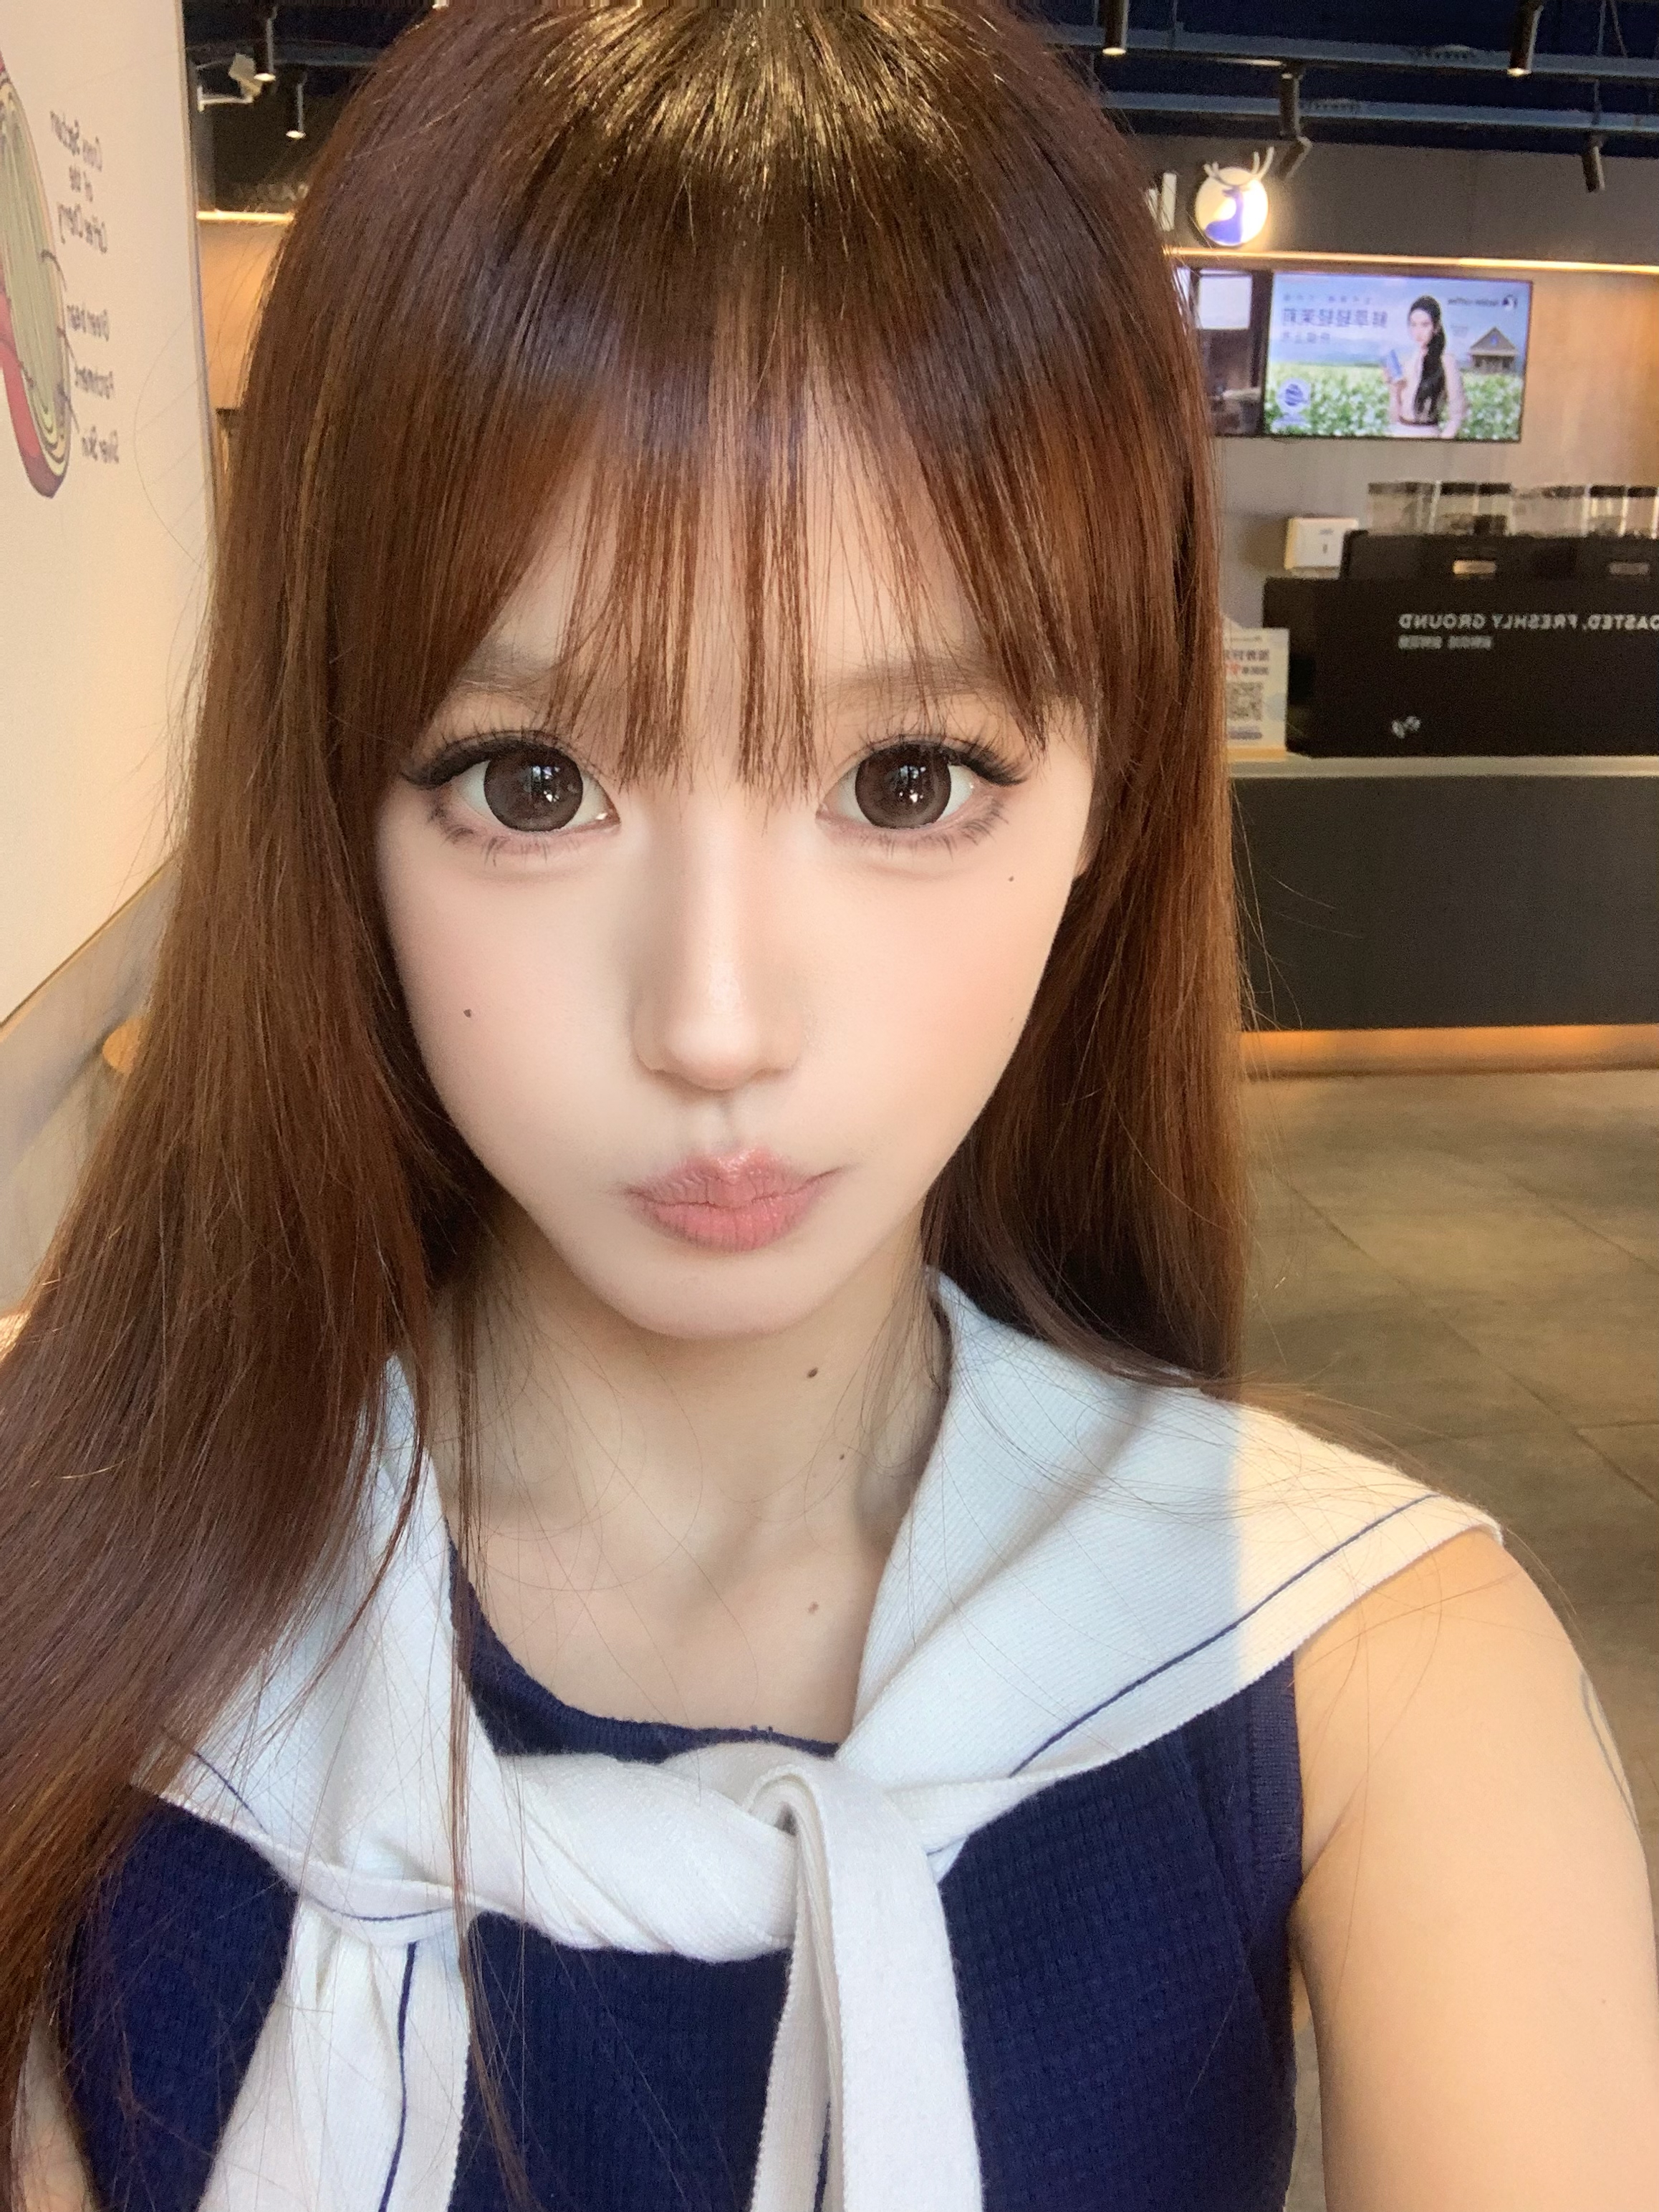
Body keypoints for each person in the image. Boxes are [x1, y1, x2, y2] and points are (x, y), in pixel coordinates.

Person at [6, 4, 1659, 2208]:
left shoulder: (1371, 1689)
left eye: (905, 780)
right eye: (533, 782)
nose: (715, 1021)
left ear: (1107, 803)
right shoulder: (85, 1590)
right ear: (331, 799)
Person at [1386, 293, 1467, 440]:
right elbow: (1394, 417)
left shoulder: (1446, 361)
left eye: (1425, 325)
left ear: (1436, 327)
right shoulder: (1406, 361)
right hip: (1399, 436)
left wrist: (1441, 444)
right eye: (1413, 325)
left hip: (1429, 437)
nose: (1418, 332)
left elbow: (1457, 415)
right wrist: (1394, 390)